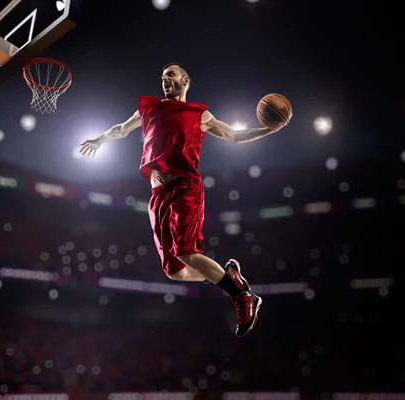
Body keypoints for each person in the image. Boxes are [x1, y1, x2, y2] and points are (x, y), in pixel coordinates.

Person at [79, 63, 289, 337]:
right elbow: (121, 129)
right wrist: (99, 139)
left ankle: (242, 296)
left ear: (186, 80)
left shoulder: (199, 113)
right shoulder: (149, 108)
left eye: (171, 74)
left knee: (186, 252)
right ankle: (229, 275)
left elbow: (235, 136)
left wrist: (268, 131)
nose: (165, 79)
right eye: (163, 76)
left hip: (184, 187)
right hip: (157, 196)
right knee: (175, 272)